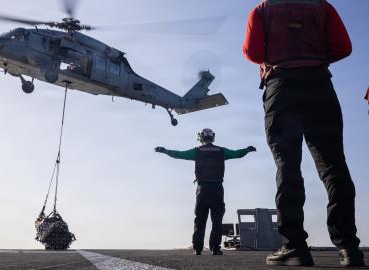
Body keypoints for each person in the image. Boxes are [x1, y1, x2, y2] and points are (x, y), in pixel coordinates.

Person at [243, 0, 365, 267]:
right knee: (333, 165)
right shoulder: (323, 6)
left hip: (281, 86)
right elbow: (344, 47)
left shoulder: (262, 9)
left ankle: (295, 247)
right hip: (319, 85)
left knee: (287, 166)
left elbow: (252, 51)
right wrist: (314, 59)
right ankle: (348, 248)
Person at [155, 128, 256, 256]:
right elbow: (237, 154)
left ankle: (197, 249)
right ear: (212, 137)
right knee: (217, 220)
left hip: (202, 190)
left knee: (200, 220)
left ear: (201, 138)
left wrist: (165, 151)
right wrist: (247, 150)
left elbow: (180, 154)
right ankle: (215, 248)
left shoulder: (197, 151)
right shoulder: (221, 151)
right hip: (217, 189)